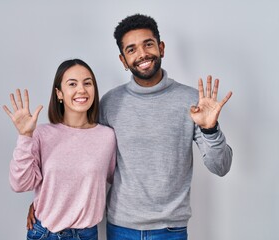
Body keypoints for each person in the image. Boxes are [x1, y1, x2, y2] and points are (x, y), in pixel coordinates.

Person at [27, 14, 233, 240]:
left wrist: (210, 129)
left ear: (161, 48)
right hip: (120, 228)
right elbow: (81, 161)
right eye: (131, 49)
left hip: (170, 230)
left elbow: (221, 166)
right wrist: (44, 205)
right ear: (123, 60)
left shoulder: (192, 101)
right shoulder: (110, 103)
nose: (142, 54)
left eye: (148, 44)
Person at [3, 59, 117, 240]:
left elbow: (118, 181)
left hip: (86, 234)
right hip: (44, 233)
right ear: (59, 93)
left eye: (88, 83)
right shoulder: (41, 133)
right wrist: (25, 136)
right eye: (72, 84)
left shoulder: (107, 137)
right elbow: (20, 184)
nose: (81, 89)